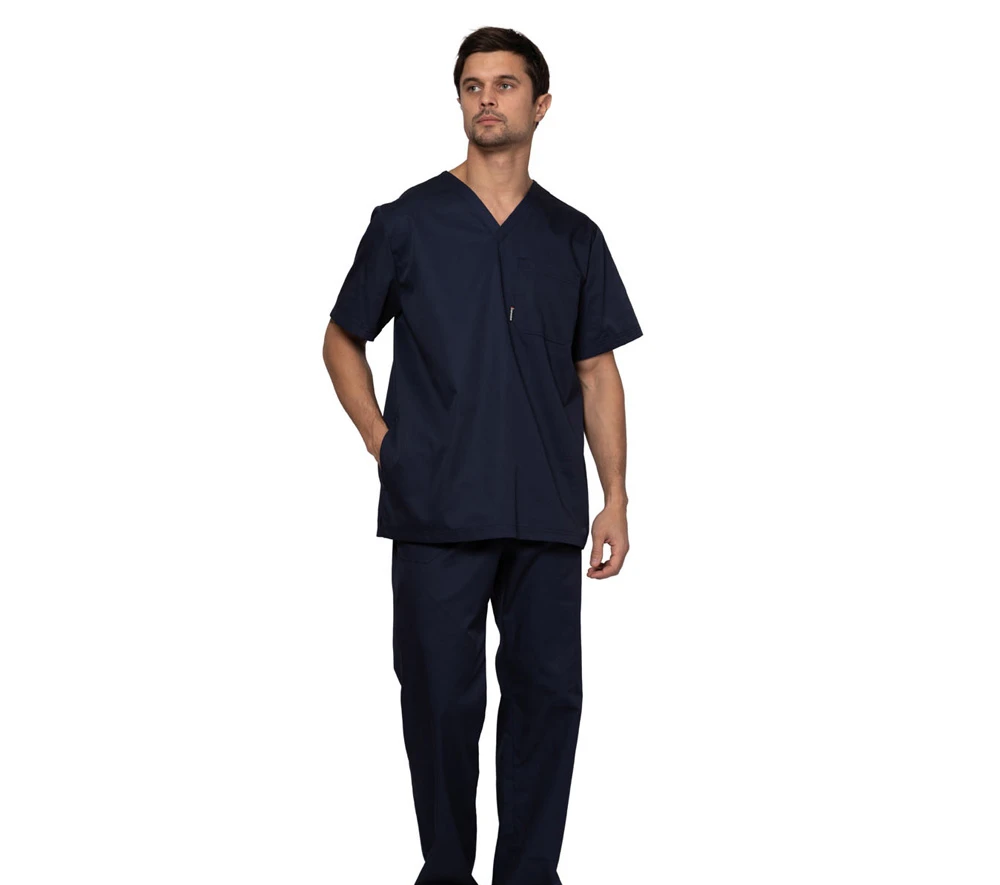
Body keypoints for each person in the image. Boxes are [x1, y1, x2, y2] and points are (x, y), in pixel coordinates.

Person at [322, 26, 643, 885]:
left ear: (541, 105)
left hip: (544, 507)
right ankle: (446, 872)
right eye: (473, 85)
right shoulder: (407, 223)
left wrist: (614, 496)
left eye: (505, 85)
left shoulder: (573, 237)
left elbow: (597, 370)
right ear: (459, 101)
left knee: (547, 699)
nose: (487, 99)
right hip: (435, 504)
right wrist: (382, 439)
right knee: (438, 701)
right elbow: (342, 338)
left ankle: (529, 874)